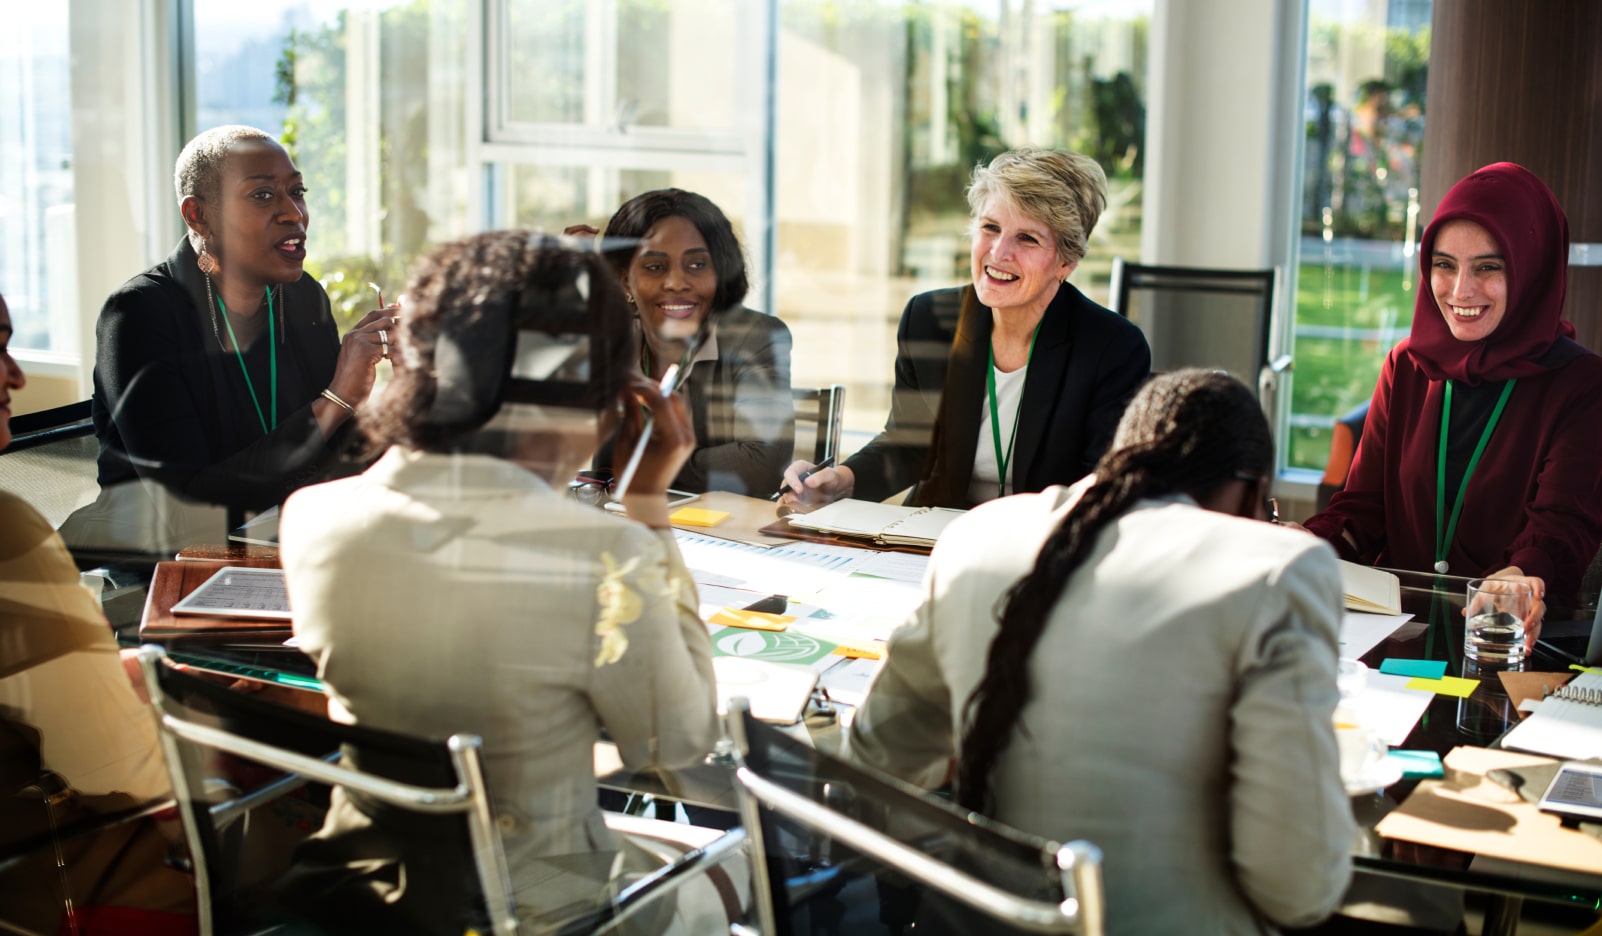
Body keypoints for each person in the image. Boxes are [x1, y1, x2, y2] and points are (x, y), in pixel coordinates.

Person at [277, 233, 725, 933]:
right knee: (725, 882)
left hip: (365, 887)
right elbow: (683, 745)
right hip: (535, 903)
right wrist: (647, 510)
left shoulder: (312, 517)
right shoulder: (604, 553)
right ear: (593, 389)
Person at [846, 369, 1353, 935]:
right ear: (1251, 490)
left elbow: (875, 763)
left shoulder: (976, 536)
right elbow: (1297, 888)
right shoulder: (1275, 572)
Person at [1304, 162, 1602, 637]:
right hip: (1395, 643)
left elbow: (1562, 526)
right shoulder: (1407, 366)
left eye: (1488, 267)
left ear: (1532, 270)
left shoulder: (1580, 383)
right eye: (1444, 264)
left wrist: (1520, 577)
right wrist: (1307, 543)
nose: (1461, 291)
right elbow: (1362, 510)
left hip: (1508, 646)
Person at [63, 125, 391, 553]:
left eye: (297, 191)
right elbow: (190, 510)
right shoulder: (139, 315)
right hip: (161, 568)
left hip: (286, 544)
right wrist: (335, 400)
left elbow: (337, 450)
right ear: (198, 214)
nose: (294, 213)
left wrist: (405, 393)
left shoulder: (301, 297)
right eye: (262, 195)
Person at [781, 147, 1149, 511]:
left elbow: (1101, 485)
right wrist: (839, 482)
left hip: (1041, 542)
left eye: (1028, 238)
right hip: (933, 535)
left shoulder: (1112, 348)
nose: (999, 252)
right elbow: (908, 445)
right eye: (990, 228)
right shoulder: (929, 319)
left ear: (1065, 262)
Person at [0, 292, 197, 934]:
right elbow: (123, 777)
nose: (17, 376)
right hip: (63, 887)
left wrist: (95, 676)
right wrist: (214, 761)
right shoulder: (10, 535)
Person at [586, 188, 793, 496]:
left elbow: (761, 465)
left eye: (697, 265)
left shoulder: (754, 337)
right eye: (655, 267)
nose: (677, 283)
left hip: (725, 532)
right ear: (624, 279)